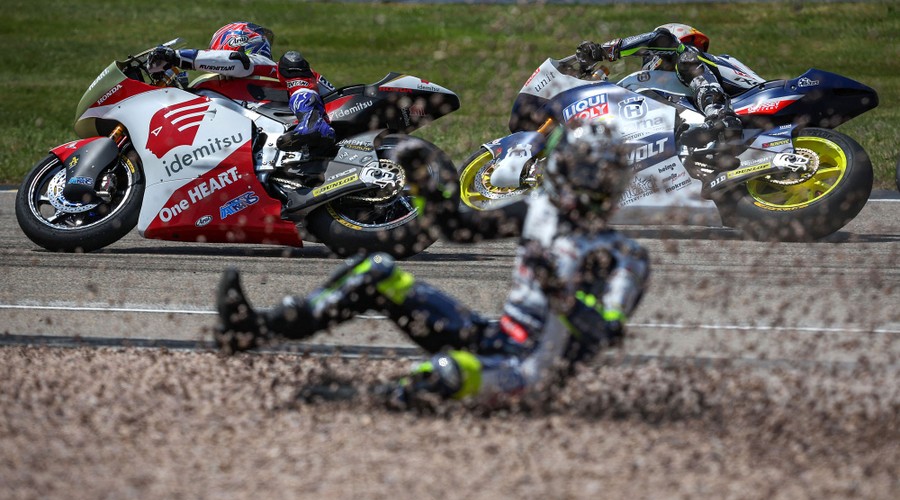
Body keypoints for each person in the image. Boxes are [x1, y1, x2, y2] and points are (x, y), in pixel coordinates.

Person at [213, 122, 650, 409]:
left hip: (529, 374)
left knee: (447, 373)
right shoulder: (538, 214)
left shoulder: (623, 256)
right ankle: (257, 327)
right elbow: (458, 228)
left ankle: (359, 400)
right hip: (493, 336)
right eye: (587, 174)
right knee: (377, 271)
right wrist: (424, 185)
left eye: (602, 178)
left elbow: (603, 334)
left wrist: (562, 296)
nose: (593, 187)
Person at [147, 22, 336, 158]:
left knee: (291, 59)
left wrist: (176, 56)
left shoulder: (260, 64)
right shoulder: (206, 87)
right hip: (247, 144)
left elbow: (236, 62)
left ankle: (312, 122)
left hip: (331, 110)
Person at [576, 23, 764, 149]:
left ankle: (720, 115)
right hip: (718, 124)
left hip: (748, 101)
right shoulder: (674, 93)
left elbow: (660, 40)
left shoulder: (685, 53)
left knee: (686, 60)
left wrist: (604, 51)